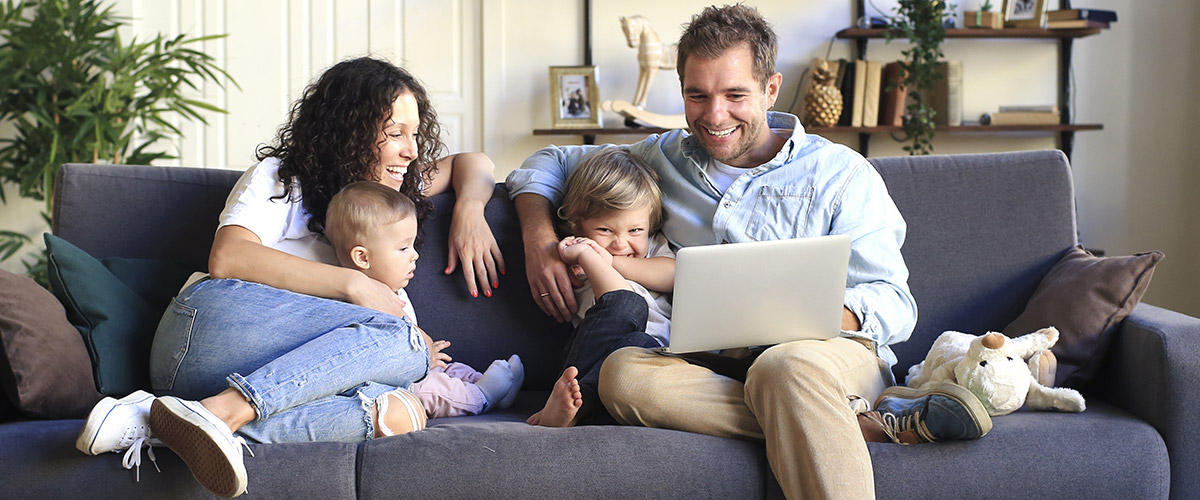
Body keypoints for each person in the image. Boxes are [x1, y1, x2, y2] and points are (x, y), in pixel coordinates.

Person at [506, 5, 992, 500]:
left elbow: (893, 302)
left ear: (771, 89)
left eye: (735, 94)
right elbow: (549, 163)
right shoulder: (661, 156)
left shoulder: (842, 175)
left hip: (824, 357)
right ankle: (856, 421)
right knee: (622, 377)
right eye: (697, 96)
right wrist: (540, 242)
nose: (714, 116)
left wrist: (805, 317)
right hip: (706, 363)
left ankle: (820, 399)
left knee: (784, 367)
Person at [73, 56, 506, 498]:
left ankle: (163, 421)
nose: (412, 150)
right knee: (404, 340)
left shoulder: (390, 194)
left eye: (414, 134)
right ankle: (224, 411)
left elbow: (472, 162)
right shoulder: (284, 179)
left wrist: (470, 211)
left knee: (401, 410)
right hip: (206, 334)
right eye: (395, 134)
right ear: (349, 132)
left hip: (250, 382)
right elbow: (229, 256)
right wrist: (356, 286)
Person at [324, 181, 524, 418]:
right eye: (403, 248)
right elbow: (376, 358)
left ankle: (493, 387)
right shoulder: (356, 302)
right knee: (430, 390)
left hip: (416, 366)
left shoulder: (394, 290)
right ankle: (481, 397)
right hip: (394, 383)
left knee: (450, 369)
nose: (415, 255)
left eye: (413, 245)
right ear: (362, 258)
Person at [521, 147, 674, 427]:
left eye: (635, 231)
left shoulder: (653, 247)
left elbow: (673, 275)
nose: (621, 243)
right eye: (605, 230)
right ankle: (568, 406)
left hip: (650, 362)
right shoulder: (577, 255)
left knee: (640, 343)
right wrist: (589, 257)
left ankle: (579, 411)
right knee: (627, 306)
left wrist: (610, 260)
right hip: (594, 362)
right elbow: (619, 299)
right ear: (576, 223)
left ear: (650, 224)